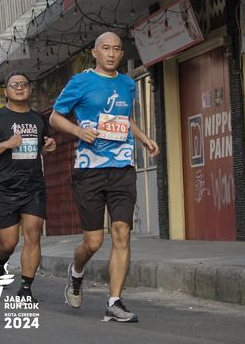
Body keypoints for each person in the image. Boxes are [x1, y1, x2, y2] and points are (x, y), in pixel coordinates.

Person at [49, 31, 160, 323]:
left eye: (116, 49)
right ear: (95, 53)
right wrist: (78, 131)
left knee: (122, 232)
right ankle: (76, 272)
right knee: (93, 242)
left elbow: (124, 119)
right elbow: (55, 117)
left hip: (122, 167)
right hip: (90, 170)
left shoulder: (127, 84)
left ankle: (114, 302)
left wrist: (144, 138)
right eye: (106, 48)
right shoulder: (80, 82)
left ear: (122, 54)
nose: (111, 54)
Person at [0, 72, 56, 301]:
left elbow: (42, 149)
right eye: (14, 85)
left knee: (33, 234)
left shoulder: (38, 119)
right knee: (8, 242)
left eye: (24, 84)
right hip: (5, 187)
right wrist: (7, 144)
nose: (19, 88)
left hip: (34, 185)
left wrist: (48, 148)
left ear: (30, 89)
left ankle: (25, 288)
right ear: (6, 91)